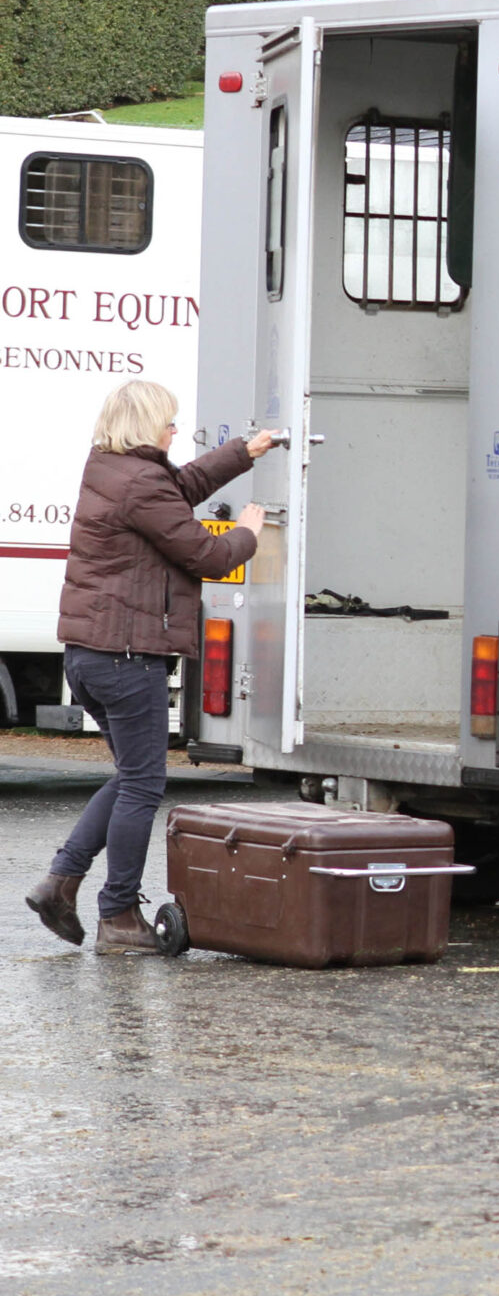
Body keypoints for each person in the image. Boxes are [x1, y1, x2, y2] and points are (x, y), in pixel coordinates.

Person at [23, 381, 270, 953]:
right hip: (126, 658)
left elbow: (180, 486)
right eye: (169, 422)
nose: (175, 431)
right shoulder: (140, 484)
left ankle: (60, 882)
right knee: (143, 782)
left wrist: (243, 452)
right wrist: (248, 534)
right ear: (146, 426)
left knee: (131, 776)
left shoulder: (111, 469)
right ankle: (119, 918)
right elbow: (204, 555)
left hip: (90, 655)